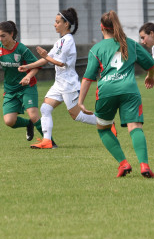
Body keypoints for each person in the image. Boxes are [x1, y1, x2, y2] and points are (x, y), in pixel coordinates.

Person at [78, 11, 154, 178]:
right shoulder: (131, 44)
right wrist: (150, 77)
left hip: (106, 91)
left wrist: (81, 102)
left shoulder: (96, 49)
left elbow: (87, 78)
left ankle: (124, 163)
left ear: (101, 28)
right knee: (135, 128)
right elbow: (150, 64)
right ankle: (144, 165)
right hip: (129, 90)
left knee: (104, 129)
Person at [18, 8, 99, 149]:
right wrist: (28, 67)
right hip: (59, 83)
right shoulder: (60, 41)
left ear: (66, 24)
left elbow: (59, 62)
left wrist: (45, 56)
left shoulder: (68, 41)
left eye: (57, 22)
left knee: (76, 115)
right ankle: (47, 141)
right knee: (45, 108)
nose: (54, 24)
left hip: (68, 83)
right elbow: (47, 59)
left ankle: (106, 123)